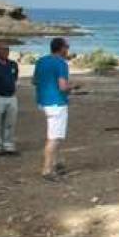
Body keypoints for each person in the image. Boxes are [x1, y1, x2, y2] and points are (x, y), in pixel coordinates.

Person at [33, 37, 73, 180]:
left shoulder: (41, 61)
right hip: (57, 103)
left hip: (44, 101)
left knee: (55, 135)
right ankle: (47, 169)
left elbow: (35, 81)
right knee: (54, 137)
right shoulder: (61, 64)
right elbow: (63, 86)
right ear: (61, 48)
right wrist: (71, 88)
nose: (68, 50)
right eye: (67, 47)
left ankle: (55, 163)